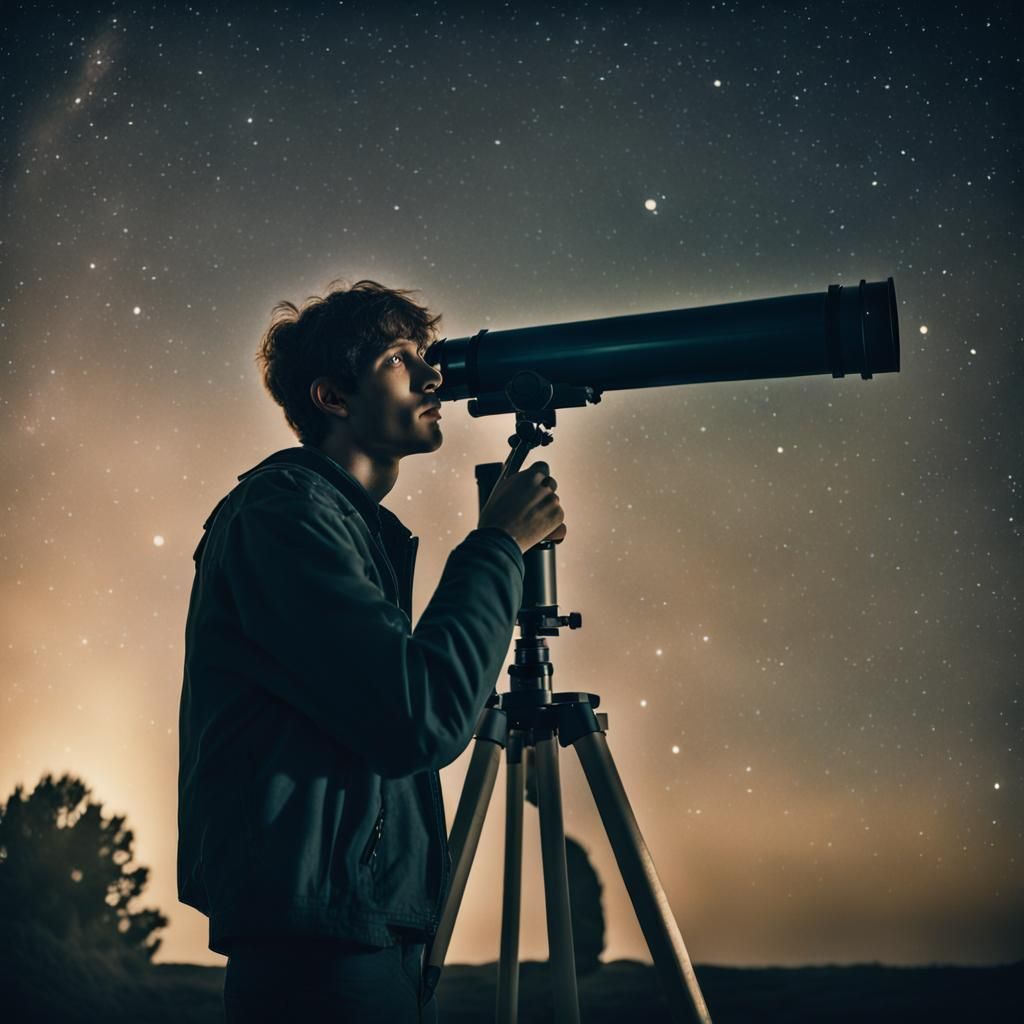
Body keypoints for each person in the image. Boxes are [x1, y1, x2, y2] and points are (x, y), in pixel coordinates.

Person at [177, 279, 567, 1023]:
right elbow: (417, 719)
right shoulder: (286, 514)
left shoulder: (340, 526)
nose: (433, 376)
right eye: (399, 358)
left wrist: (502, 552)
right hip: (319, 958)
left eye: (428, 356)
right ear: (333, 397)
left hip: (357, 934)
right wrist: (496, 547)